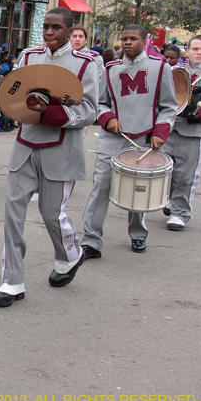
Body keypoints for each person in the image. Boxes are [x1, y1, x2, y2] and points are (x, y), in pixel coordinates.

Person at [0, 7, 99, 308]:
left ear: (69, 30)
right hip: (25, 146)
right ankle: (12, 280)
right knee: (13, 213)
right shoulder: (28, 57)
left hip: (61, 149)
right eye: (46, 28)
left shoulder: (86, 64)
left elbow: (89, 110)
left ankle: (69, 255)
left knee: (52, 214)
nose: (50, 33)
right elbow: (11, 94)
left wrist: (50, 111)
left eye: (56, 28)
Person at [80, 24, 177, 258]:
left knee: (139, 189)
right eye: (124, 39)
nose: (127, 43)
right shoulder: (111, 68)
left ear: (145, 41)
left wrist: (159, 133)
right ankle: (91, 240)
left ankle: (138, 235)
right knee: (100, 187)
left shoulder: (160, 67)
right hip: (112, 137)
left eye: (133, 38)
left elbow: (169, 107)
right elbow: (100, 103)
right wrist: (109, 118)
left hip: (144, 138)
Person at [161, 35, 201, 231]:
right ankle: (171, 200)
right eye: (195, 49)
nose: (199, 53)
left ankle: (180, 213)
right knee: (167, 171)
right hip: (172, 128)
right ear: (187, 51)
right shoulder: (177, 71)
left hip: (194, 132)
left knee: (186, 175)